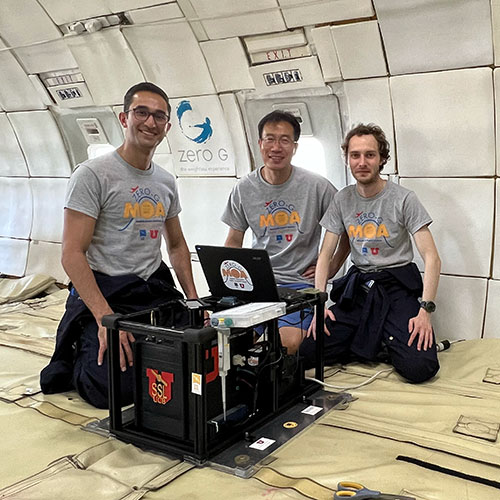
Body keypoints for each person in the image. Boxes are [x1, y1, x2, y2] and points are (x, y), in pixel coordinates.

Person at [41, 82, 200, 408]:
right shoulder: (92, 175)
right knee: (111, 391)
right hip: (107, 292)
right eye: (141, 112)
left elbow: (177, 245)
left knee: (198, 357)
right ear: (124, 118)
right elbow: (72, 254)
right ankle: (77, 354)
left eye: (159, 116)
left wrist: (194, 301)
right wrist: (104, 319)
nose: (150, 122)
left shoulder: (165, 182)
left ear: (167, 127)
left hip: (150, 290)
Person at [306, 123, 441, 383]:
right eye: (355, 155)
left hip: (396, 286)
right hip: (361, 287)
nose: (362, 162)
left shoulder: (404, 199)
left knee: (420, 368)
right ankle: (380, 340)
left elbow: (432, 257)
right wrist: (318, 306)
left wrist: (425, 311)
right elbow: (325, 254)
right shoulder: (342, 199)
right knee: (309, 352)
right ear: (347, 159)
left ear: (381, 159)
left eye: (370, 155)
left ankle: (383, 339)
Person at [222, 110, 349, 354]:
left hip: (299, 287)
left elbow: (346, 230)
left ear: (294, 147)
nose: (276, 147)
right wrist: (229, 283)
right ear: (259, 144)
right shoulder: (243, 188)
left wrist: (332, 267)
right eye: (269, 139)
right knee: (224, 343)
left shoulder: (317, 186)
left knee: (282, 345)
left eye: (284, 140)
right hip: (255, 286)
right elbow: (234, 240)